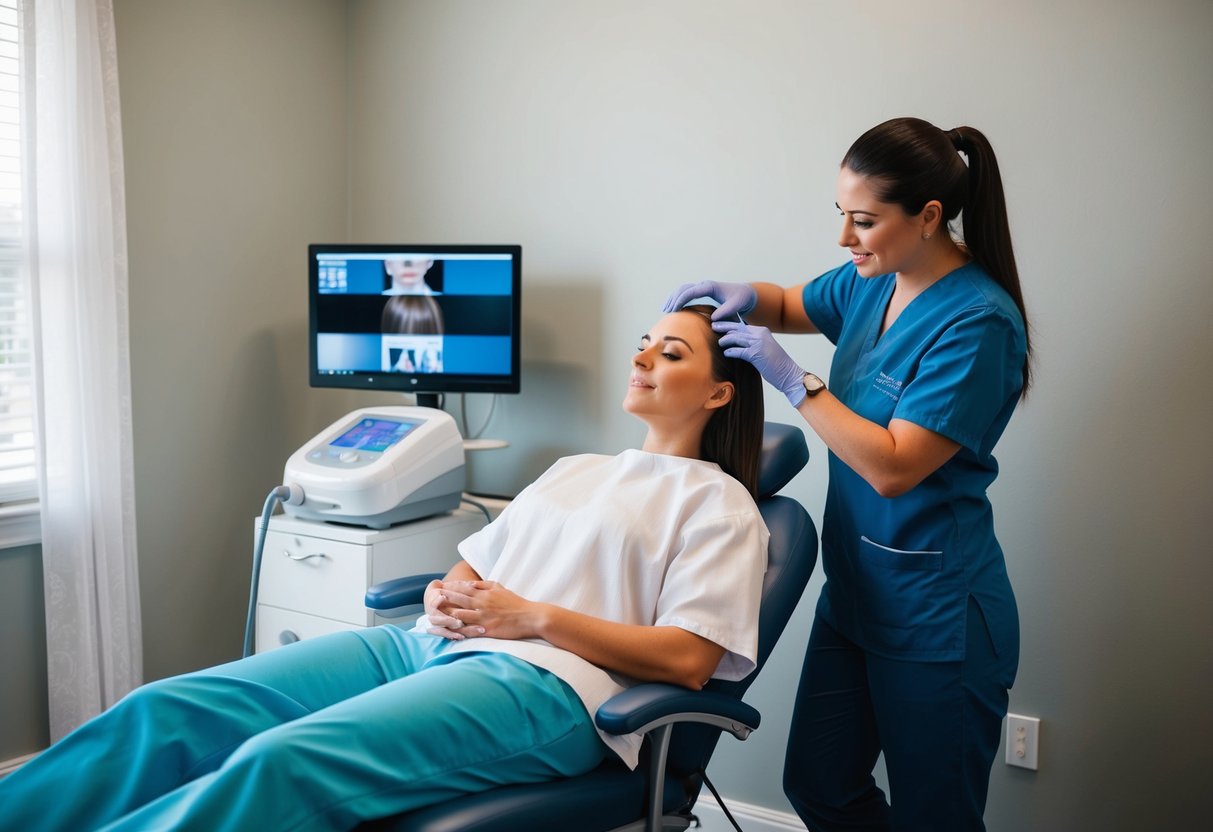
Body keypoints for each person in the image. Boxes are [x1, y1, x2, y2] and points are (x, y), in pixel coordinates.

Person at [0, 306, 768, 832]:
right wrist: (448, 591)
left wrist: (532, 619)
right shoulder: (579, 467)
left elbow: (691, 659)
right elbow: (470, 569)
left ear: (717, 391)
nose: (640, 357)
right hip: (425, 644)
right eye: (644, 341)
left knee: (283, 759)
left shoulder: (721, 505)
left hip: (550, 689)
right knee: (166, 709)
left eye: (670, 354)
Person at [664, 117, 1030, 831]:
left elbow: (893, 468)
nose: (845, 238)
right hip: (856, 597)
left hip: (936, 614)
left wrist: (794, 382)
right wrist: (739, 293)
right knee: (819, 785)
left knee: (937, 817)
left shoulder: (976, 322)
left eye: (863, 221)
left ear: (927, 217)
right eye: (841, 215)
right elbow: (790, 302)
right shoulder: (873, 279)